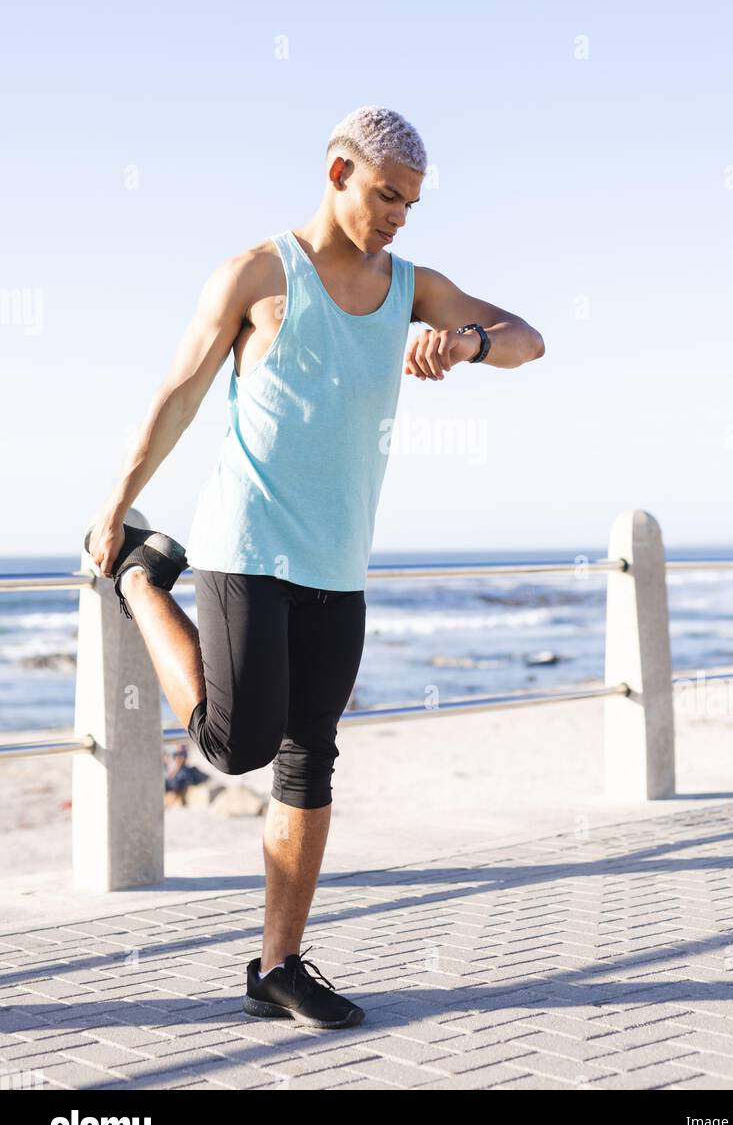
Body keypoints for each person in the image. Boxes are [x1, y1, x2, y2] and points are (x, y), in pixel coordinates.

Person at [83, 105, 545, 1029]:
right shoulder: (257, 274)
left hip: (340, 561)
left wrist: (468, 342)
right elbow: (178, 393)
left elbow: (529, 338)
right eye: (385, 196)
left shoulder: (413, 284)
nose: (396, 218)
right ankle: (142, 578)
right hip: (246, 545)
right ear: (337, 172)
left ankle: (278, 968)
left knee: (309, 764)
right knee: (232, 745)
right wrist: (114, 504)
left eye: (409, 206)